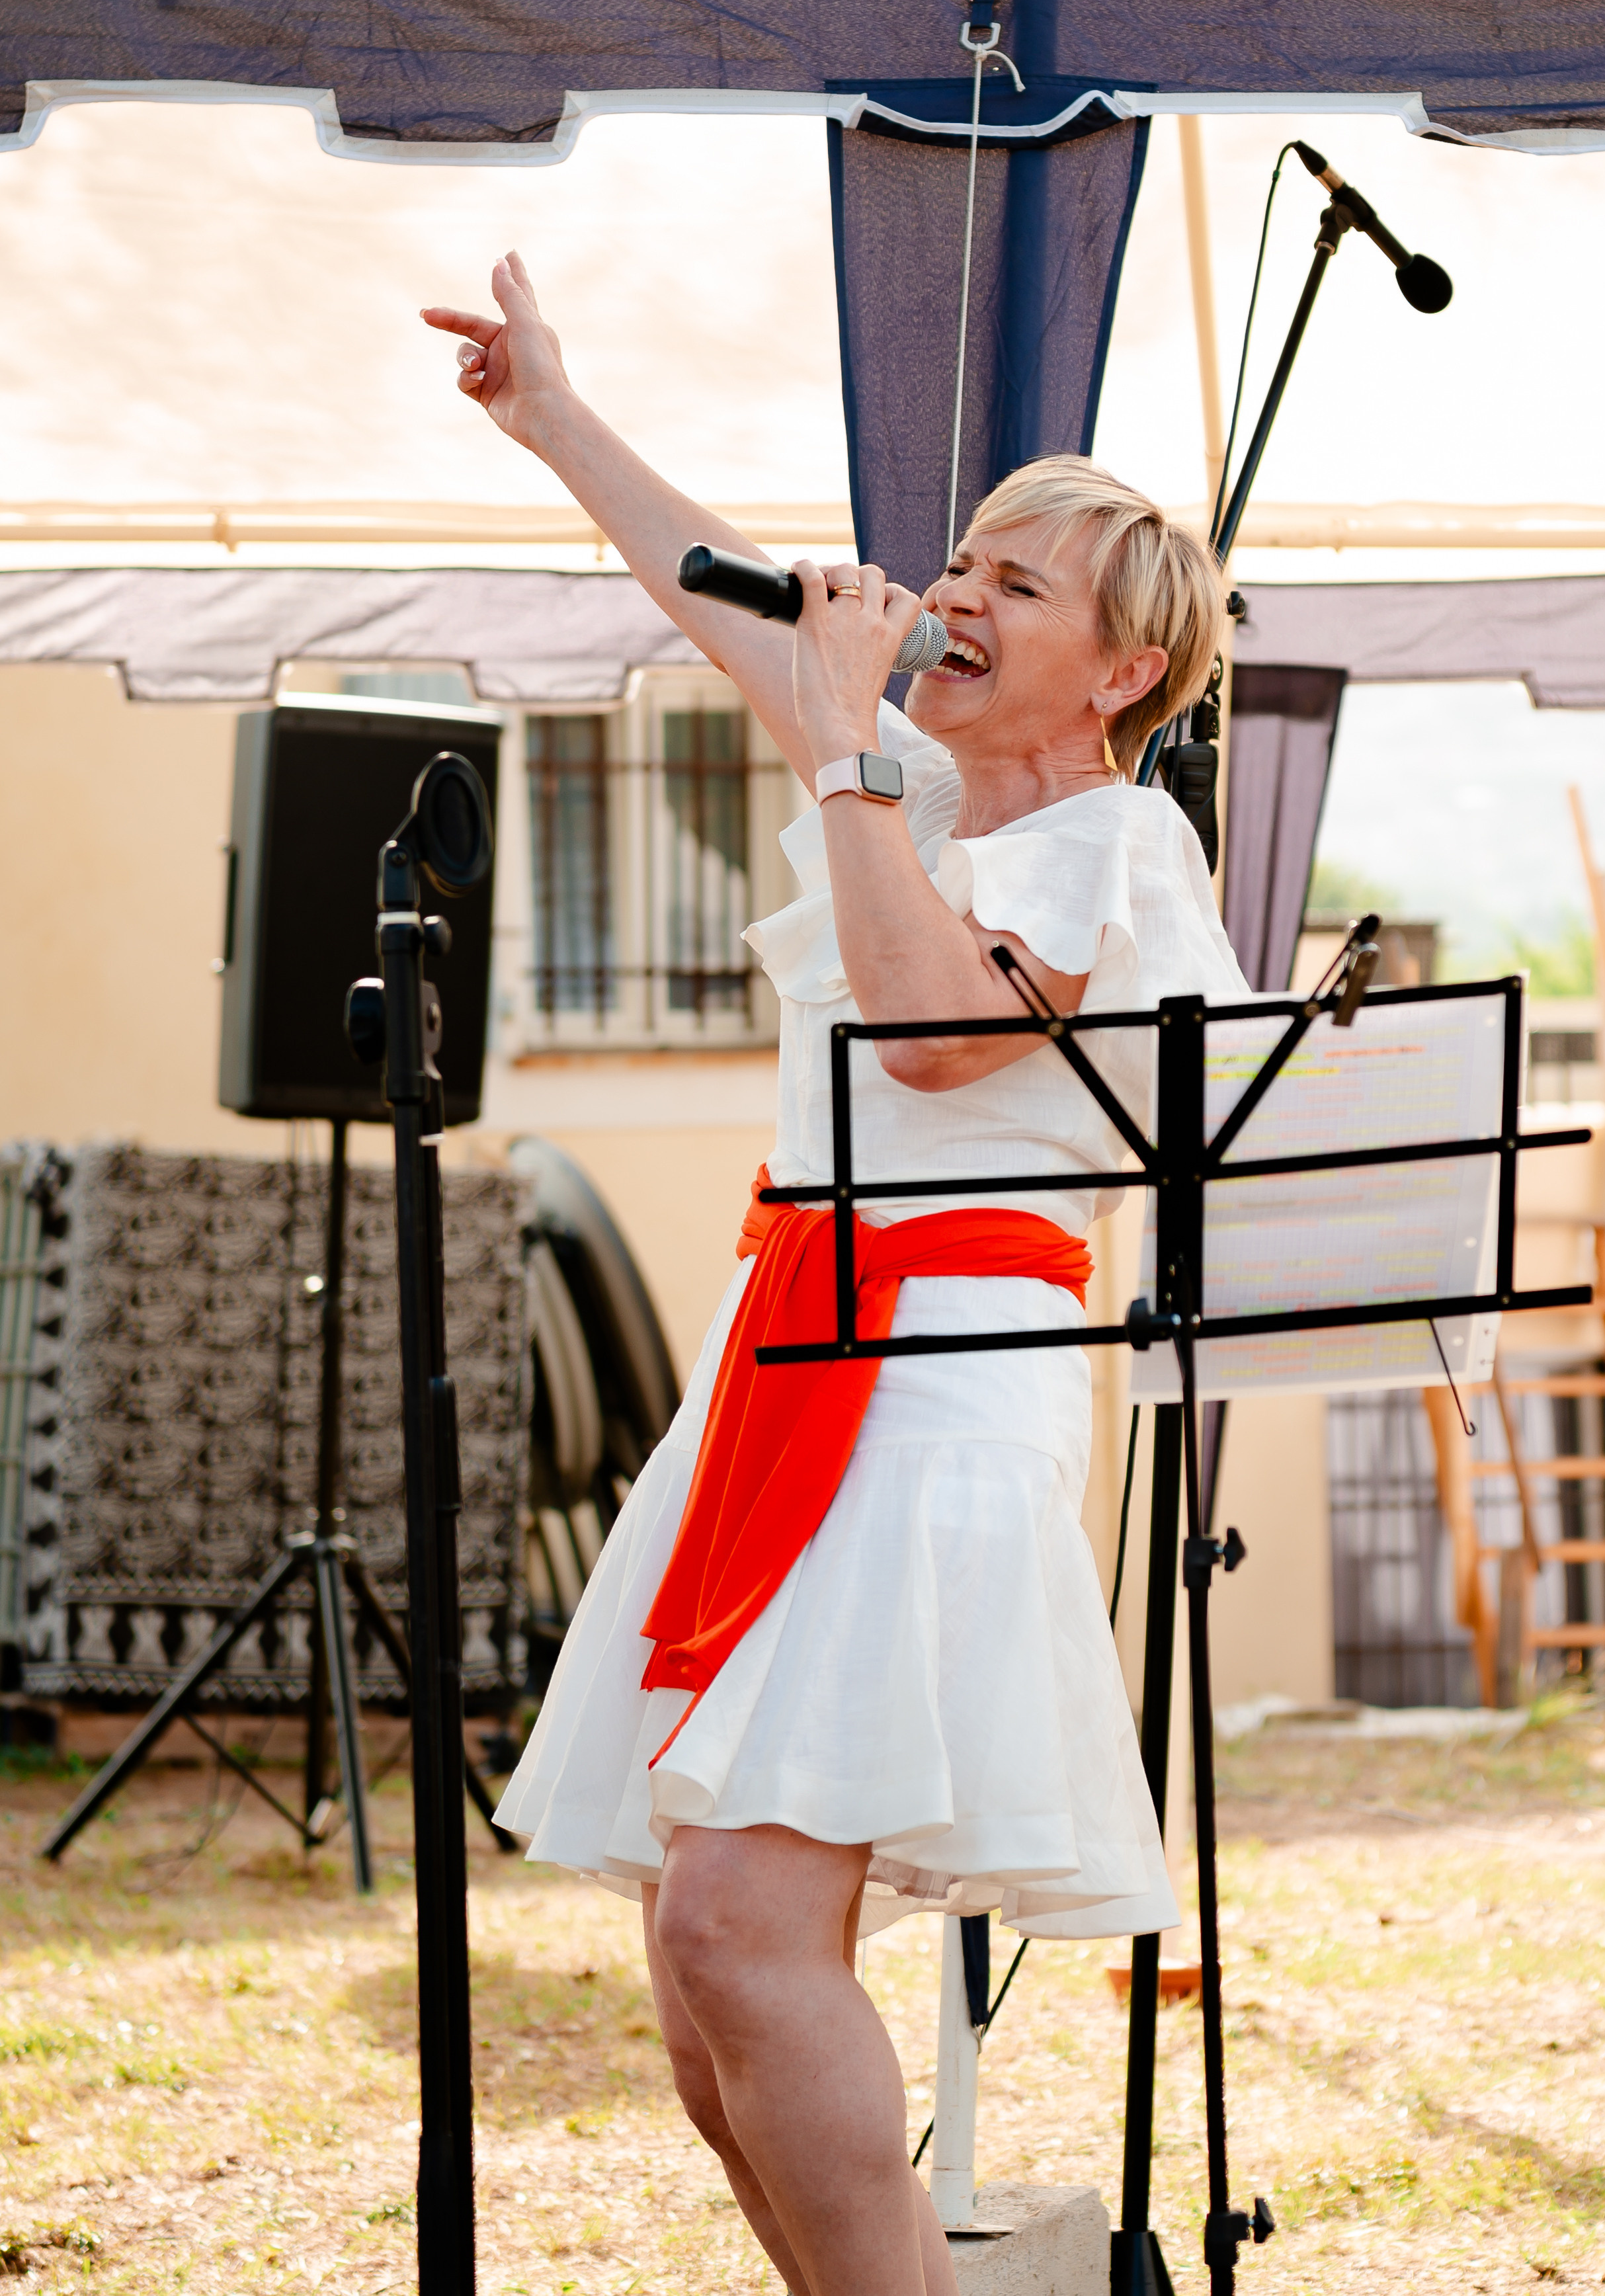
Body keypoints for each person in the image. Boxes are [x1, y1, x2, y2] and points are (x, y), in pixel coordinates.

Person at [422, 253, 1249, 2296]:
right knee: (700, 1985)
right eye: (960, 555)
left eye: (1015, 586)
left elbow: (936, 1029)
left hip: (948, 1369)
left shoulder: (1116, 850)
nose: (953, 593)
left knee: (739, 1929)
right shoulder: (932, 786)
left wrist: (850, 754)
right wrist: (554, 416)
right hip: (794, 1347)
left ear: (1123, 670)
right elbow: (722, 601)